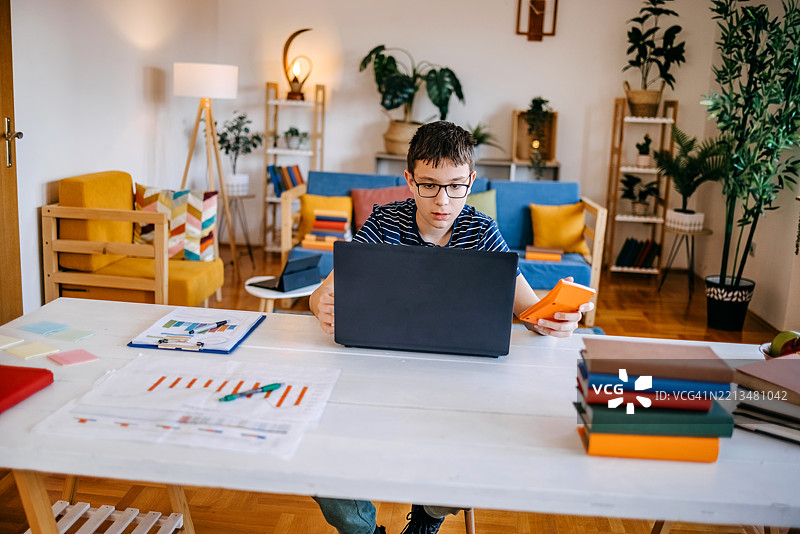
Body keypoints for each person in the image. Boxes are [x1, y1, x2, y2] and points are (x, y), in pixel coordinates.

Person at [309, 121, 593, 534]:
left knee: (488, 451)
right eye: (428, 185)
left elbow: (530, 312)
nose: (443, 200)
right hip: (379, 379)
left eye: (456, 185)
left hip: (462, 387)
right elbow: (321, 294)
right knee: (317, 459)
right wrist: (321, 304)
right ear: (409, 180)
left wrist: (555, 321)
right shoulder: (383, 224)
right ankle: (365, 531)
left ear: (471, 181)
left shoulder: (482, 232)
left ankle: (428, 515)